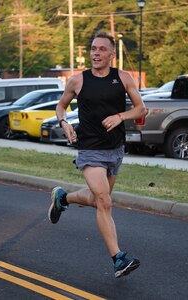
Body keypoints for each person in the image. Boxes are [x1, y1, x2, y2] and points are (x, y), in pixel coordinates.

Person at [48, 31, 146, 278]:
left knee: (97, 199)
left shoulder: (122, 78)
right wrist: (64, 123)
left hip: (115, 149)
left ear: (112, 55)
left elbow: (141, 108)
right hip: (90, 148)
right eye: (93, 49)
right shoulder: (78, 81)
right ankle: (118, 259)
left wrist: (120, 116)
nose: (96, 53)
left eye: (102, 49)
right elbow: (61, 106)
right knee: (104, 201)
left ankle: (63, 198)